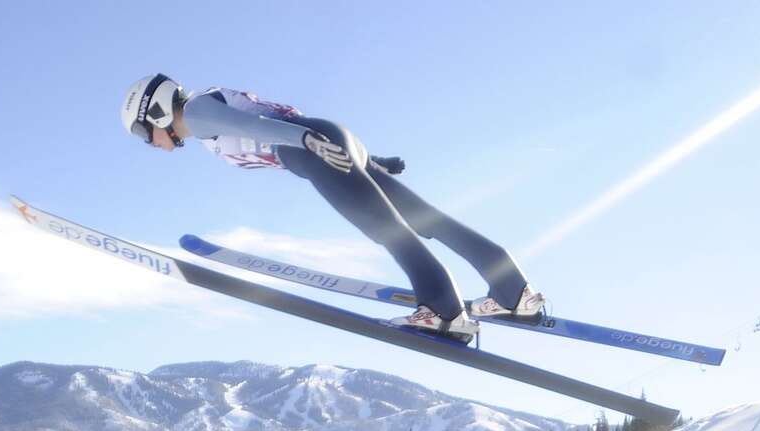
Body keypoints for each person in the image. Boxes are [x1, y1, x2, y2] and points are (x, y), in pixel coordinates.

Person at [119, 74, 546, 345]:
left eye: (144, 131)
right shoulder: (207, 108)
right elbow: (275, 118)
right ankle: (513, 292)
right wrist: (371, 162)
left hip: (311, 147)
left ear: (155, 110)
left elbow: (254, 127)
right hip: (331, 139)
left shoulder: (195, 113)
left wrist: (305, 143)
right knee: (426, 220)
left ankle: (445, 312)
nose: (149, 141)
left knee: (386, 229)